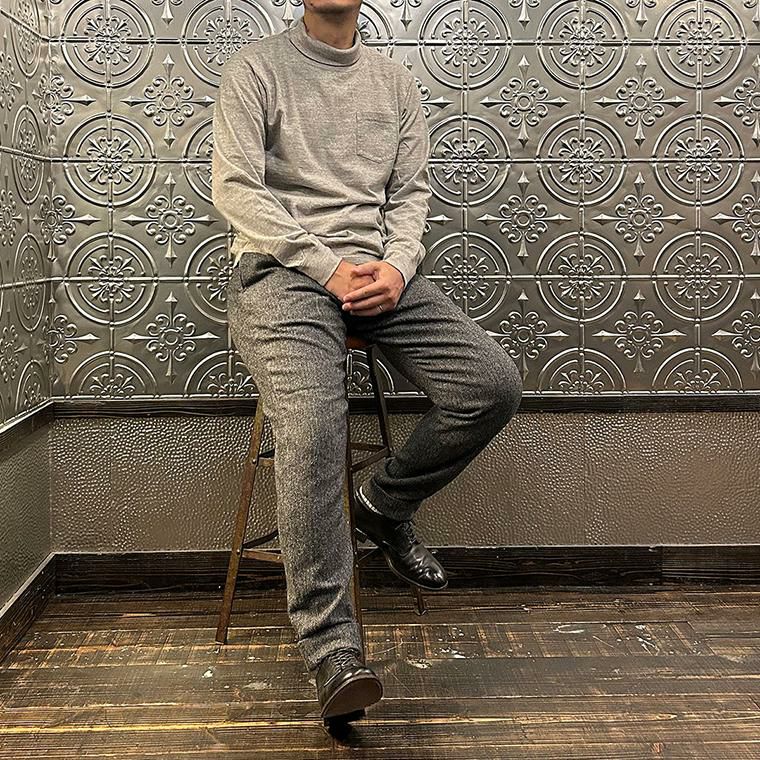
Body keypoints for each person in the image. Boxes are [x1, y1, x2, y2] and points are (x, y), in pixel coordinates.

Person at [211, 0, 523, 724]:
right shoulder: (254, 69)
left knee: (491, 383)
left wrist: (399, 265)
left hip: (378, 275)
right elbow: (235, 189)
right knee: (314, 424)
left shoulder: (395, 83)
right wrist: (325, 267)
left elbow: (410, 196)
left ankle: (382, 504)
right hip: (282, 272)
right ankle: (332, 651)